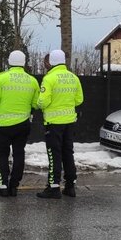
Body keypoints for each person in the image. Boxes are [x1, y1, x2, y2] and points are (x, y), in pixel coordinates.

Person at [0, 50, 40, 197]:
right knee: (19, 154)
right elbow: (36, 104)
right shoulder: (32, 80)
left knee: (2, 154)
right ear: (24, 62)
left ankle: (3, 185)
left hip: (3, 126)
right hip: (23, 124)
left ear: (9, 61)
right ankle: (14, 186)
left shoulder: (1, 78)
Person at [36, 49, 84, 199]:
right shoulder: (74, 78)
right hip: (69, 122)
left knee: (54, 155)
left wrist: (39, 104)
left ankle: (54, 187)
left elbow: (43, 101)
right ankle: (70, 186)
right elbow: (79, 100)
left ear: (51, 62)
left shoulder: (49, 78)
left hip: (53, 123)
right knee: (68, 153)